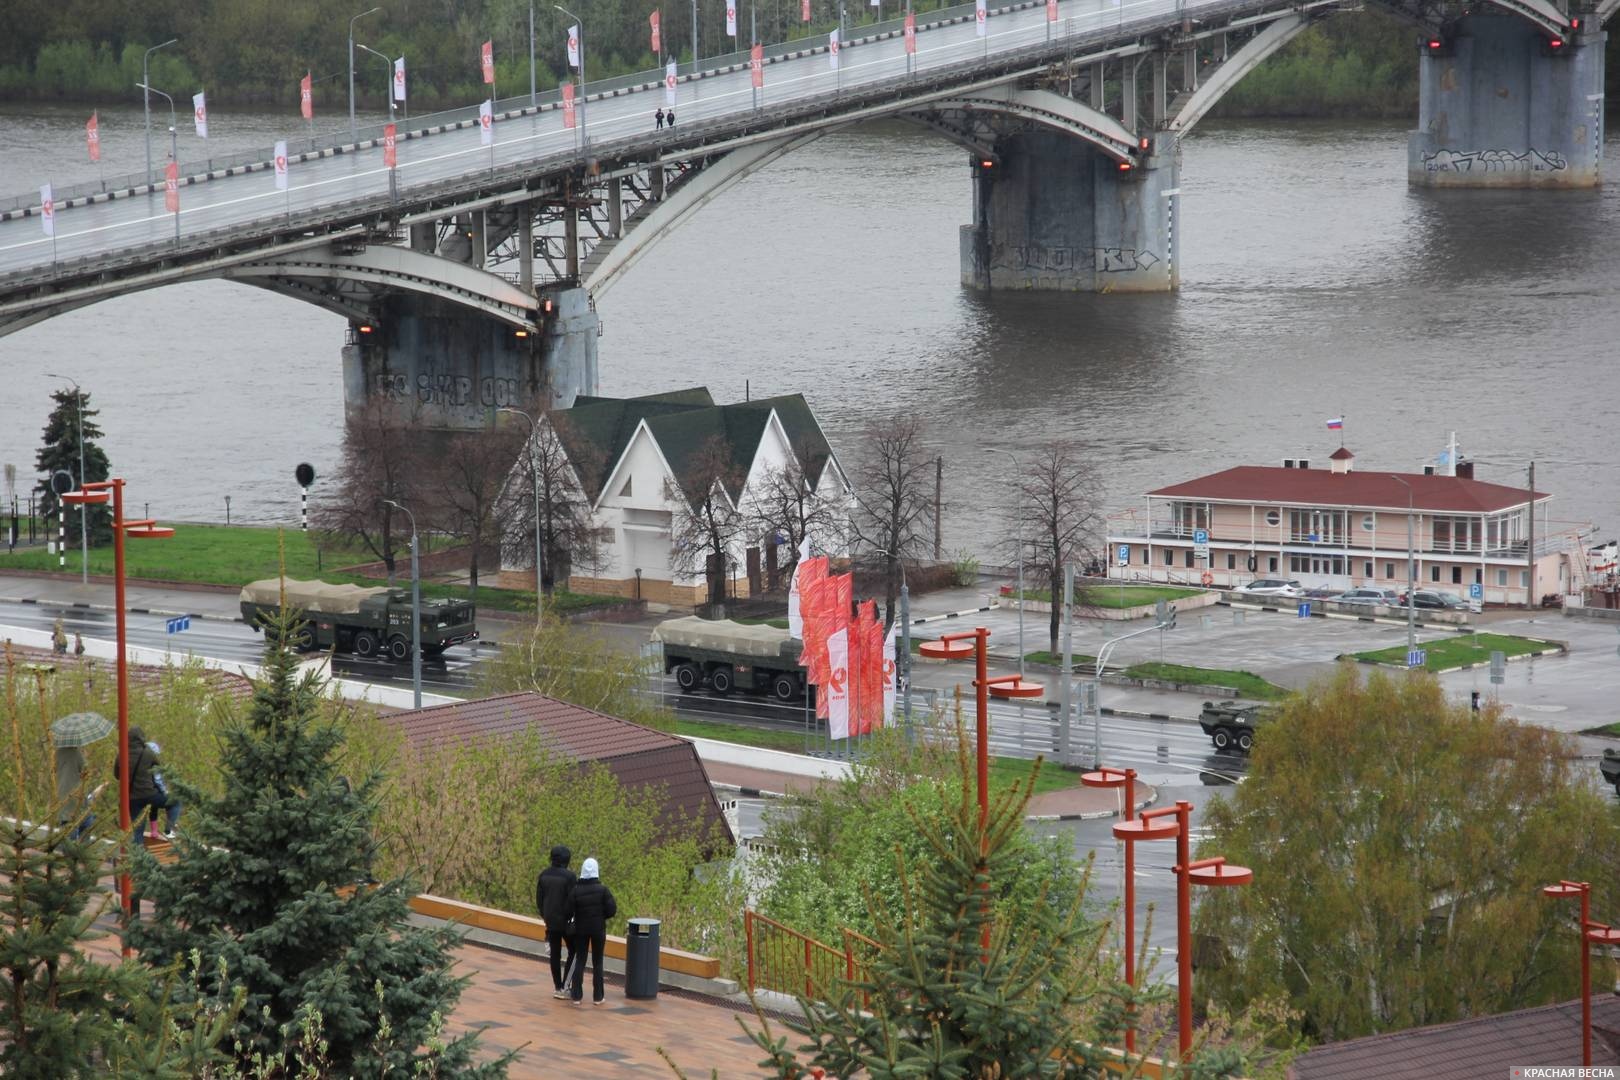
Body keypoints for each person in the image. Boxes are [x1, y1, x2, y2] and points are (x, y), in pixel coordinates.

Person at [568, 857, 617, 1005]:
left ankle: (576, 995)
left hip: (581, 930)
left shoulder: (575, 890)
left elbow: (568, 910)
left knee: (580, 960)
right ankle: (598, 996)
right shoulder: (603, 890)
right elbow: (612, 910)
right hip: (598, 929)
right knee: (598, 962)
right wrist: (601, 917)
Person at [118, 725, 179, 841]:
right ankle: (169, 830)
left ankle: (137, 856)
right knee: (175, 802)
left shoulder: (122, 753)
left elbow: (117, 774)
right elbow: (158, 769)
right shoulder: (148, 753)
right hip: (149, 795)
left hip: (131, 798)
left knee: (138, 831)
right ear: (141, 737)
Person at [535, 844, 577, 1000]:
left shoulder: (543, 875)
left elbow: (539, 900)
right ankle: (566, 986)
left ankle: (557, 987)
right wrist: (571, 917)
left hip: (550, 921)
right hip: (565, 922)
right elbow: (573, 900)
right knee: (574, 950)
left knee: (555, 954)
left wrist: (545, 916)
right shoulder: (570, 877)